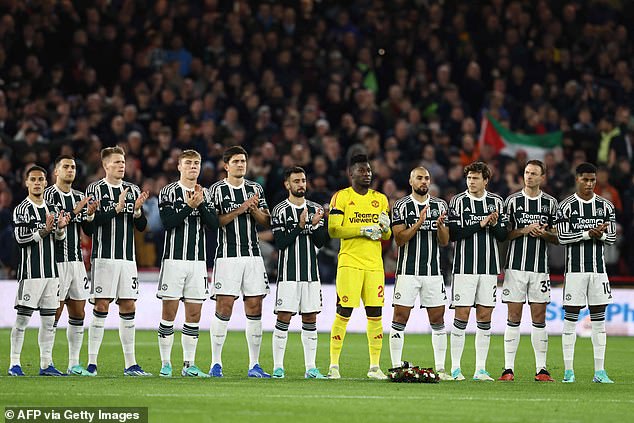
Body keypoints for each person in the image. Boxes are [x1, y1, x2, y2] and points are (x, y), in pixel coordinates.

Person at [85, 146, 151, 376]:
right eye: (116, 162)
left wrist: (137, 212)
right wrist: (117, 208)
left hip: (127, 260)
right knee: (101, 305)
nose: (121, 165)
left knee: (128, 305)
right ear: (105, 166)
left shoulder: (132, 189)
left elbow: (142, 227)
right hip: (104, 257)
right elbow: (90, 226)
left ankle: (130, 364)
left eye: (123, 161)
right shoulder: (95, 189)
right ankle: (92, 363)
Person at [208, 146, 271, 378]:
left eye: (243, 161)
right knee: (224, 306)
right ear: (226, 165)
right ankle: (216, 363)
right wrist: (240, 209)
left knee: (255, 307)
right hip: (227, 256)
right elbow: (215, 222)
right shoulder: (216, 190)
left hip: (253, 256)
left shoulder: (255, 188)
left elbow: (267, 221)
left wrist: (254, 211)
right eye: (235, 161)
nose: (241, 165)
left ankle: (254, 365)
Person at [327, 154, 391, 380]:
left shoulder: (381, 199)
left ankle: (375, 367)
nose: (367, 174)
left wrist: (385, 229)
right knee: (343, 312)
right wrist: (362, 229)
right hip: (350, 263)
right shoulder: (341, 197)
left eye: (369, 171)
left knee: (375, 314)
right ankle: (333, 365)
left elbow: (388, 234)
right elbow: (334, 229)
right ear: (351, 173)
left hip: (374, 265)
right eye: (362, 171)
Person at [156, 150, 219, 378]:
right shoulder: (169, 192)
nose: (193, 167)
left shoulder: (207, 193)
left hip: (197, 262)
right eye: (189, 163)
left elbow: (213, 224)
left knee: (194, 315)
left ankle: (188, 364)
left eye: (196, 163)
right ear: (179, 167)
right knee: (169, 314)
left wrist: (200, 204)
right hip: (173, 260)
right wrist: (189, 206)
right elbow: (167, 222)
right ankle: (165, 364)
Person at [447, 161, 508, 381]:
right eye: (469, 178)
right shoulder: (458, 201)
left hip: (489, 269)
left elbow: (503, 236)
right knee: (461, 315)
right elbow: (454, 234)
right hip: (464, 268)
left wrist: (493, 224)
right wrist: (480, 224)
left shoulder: (496, 202)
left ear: (485, 180)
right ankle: (455, 368)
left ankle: (480, 369)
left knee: (484, 316)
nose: (471, 182)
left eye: (475, 178)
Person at [556, 162, 616, 383]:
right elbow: (562, 237)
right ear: (577, 179)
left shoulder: (606, 207)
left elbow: (611, 239)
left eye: (593, 180)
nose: (590, 183)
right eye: (585, 179)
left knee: (599, 322)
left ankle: (599, 372)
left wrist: (598, 235)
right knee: (570, 320)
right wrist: (586, 233)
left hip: (599, 272)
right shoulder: (566, 206)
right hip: (575, 272)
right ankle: (568, 371)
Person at [499, 160, 558, 382]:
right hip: (515, 268)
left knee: (539, 317)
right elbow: (504, 234)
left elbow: (557, 238)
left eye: (534, 173)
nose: (529, 176)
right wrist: (525, 229)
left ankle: (541, 370)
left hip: (540, 269)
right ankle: (507, 369)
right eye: (526, 173)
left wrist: (544, 234)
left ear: (543, 177)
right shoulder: (512, 202)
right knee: (513, 316)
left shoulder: (551, 204)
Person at [390, 166, 451, 380]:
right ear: (411, 181)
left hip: (433, 273)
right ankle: (397, 366)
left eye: (426, 178)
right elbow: (399, 239)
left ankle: (441, 368)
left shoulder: (440, 205)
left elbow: (444, 241)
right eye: (419, 178)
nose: (423, 181)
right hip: (407, 272)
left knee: (438, 318)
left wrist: (441, 226)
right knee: (400, 316)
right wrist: (419, 223)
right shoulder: (401, 206)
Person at [9, 165, 70, 376]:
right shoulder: (22, 209)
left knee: (48, 321)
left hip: (51, 274)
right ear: (26, 183)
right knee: (23, 320)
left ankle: (46, 364)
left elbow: (59, 239)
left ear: (46, 182)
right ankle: (14, 363)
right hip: (31, 273)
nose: (37, 183)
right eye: (33, 179)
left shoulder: (51, 209)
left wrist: (60, 228)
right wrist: (43, 231)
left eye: (40, 179)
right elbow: (20, 239)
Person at [270, 166, 328, 379]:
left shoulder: (315, 208)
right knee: (284, 317)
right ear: (287, 184)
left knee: (310, 318)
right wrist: (300, 225)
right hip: (288, 274)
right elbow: (281, 243)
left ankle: (311, 368)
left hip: (311, 275)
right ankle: (278, 366)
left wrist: (314, 226)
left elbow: (321, 242)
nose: (301, 184)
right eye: (296, 181)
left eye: (303, 180)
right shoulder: (279, 210)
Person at [44, 155, 98, 376]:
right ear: (56, 171)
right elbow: (57, 223)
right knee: (53, 313)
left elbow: (87, 230)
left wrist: (91, 215)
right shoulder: (48, 195)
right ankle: (46, 362)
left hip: (76, 262)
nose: (70, 170)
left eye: (73, 167)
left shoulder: (79, 196)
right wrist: (77, 212)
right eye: (65, 167)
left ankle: (73, 363)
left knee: (78, 312)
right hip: (56, 262)